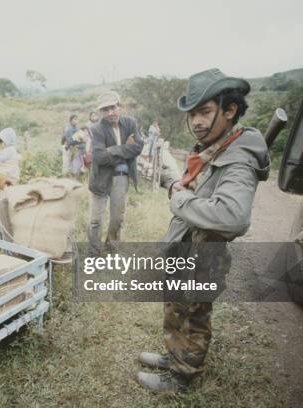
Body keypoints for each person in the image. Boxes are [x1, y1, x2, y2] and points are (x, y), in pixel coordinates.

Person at [137, 68, 270, 392]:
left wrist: (180, 200)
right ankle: (174, 355)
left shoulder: (238, 158)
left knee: (194, 315)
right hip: (186, 246)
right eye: (192, 114)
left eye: (205, 112)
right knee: (176, 307)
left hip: (203, 255)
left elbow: (233, 216)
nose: (196, 121)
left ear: (230, 110)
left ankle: (182, 377)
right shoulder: (214, 146)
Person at [87, 91, 143, 253]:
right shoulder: (96, 129)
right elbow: (98, 157)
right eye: (105, 110)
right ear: (101, 112)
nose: (110, 112)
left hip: (121, 177)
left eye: (113, 107)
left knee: (117, 219)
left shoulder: (130, 123)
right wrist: (125, 149)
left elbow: (138, 147)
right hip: (100, 178)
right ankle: (94, 250)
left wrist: (111, 151)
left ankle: (111, 247)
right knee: (96, 219)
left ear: (119, 106)